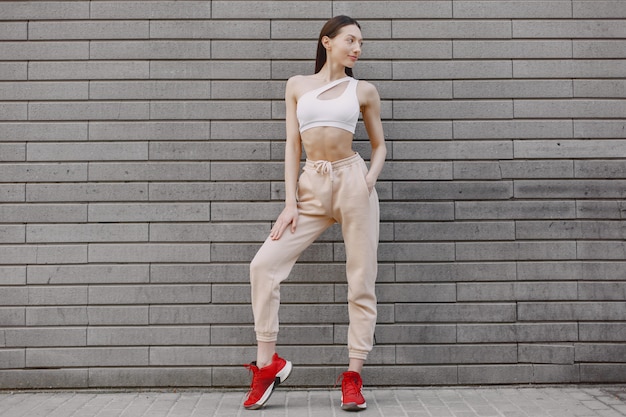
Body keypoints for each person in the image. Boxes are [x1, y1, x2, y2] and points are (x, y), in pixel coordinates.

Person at [243, 15, 386, 412]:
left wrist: (368, 180)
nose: (357, 48)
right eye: (351, 40)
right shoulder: (297, 86)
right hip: (310, 186)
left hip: (352, 182)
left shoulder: (363, 90)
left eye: (361, 43)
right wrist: (290, 203)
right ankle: (267, 363)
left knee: (360, 281)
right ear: (327, 41)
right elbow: (292, 145)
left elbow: (380, 146)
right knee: (263, 266)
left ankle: (353, 376)